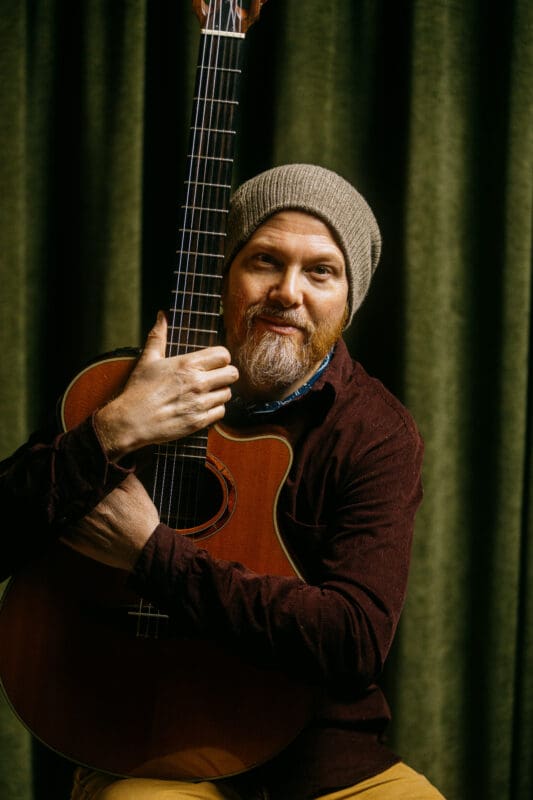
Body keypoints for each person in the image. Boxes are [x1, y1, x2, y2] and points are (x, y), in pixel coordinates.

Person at [0, 164, 445, 800]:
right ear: (224, 274)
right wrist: (114, 431)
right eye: (265, 260)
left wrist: (152, 554)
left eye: (320, 271)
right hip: (145, 743)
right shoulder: (127, 387)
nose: (287, 292)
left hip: (320, 761)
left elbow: (353, 640)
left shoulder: (377, 431)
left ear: (349, 300)